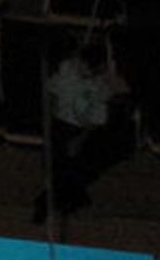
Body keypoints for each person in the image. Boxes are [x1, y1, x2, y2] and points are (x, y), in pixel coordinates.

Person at [36, 39, 131, 221]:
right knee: (54, 160)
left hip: (79, 129)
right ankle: (65, 197)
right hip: (59, 123)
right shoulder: (68, 69)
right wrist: (49, 118)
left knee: (72, 162)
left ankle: (61, 199)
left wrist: (80, 139)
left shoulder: (101, 87)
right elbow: (52, 92)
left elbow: (95, 121)